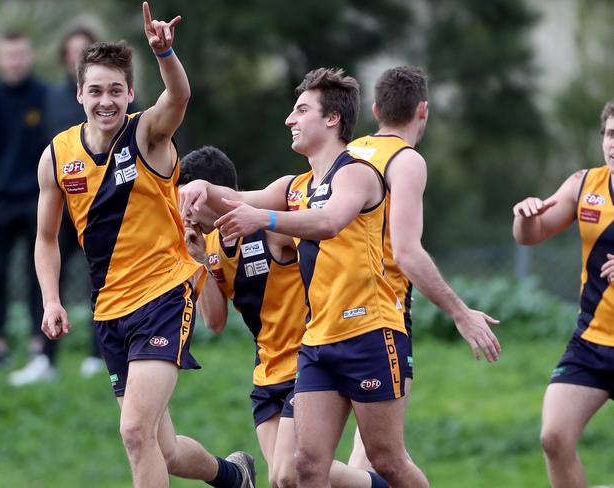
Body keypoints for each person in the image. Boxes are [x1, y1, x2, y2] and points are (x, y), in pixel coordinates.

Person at [34, 3, 255, 487]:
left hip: (163, 296)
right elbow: (46, 239)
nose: (106, 101)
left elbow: (178, 96)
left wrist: (165, 53)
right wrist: (51, 300)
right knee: (164, 449)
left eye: (116, 90)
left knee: (135, 431)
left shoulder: (148, 134)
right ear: (79, 94)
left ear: (131, 93)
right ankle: (233, 476)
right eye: (95, 91)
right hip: (110, 309)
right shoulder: (58, 156)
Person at [180, 68, 429, 487]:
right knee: (301, 469)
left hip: (367, 329)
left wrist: (266, 217)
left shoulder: (356, 172)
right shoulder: (294, 186)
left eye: (300, 110)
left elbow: (330, 221)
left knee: (386, 460)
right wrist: (202, 185)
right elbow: (240, 198)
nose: (289, 120)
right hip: (316, 344)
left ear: (332, 119)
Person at [181, 146, 390, 488]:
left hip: (307, 365)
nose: (183, 212)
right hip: (266, 374)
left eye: (187, 199)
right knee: (287, 481)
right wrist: (199, 261)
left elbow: (324, 235)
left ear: (209, 197)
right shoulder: (211, 246)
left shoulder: (268, 228)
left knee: (287, 472)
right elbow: (214, 321)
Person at [346, 65, 501, 468]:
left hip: (329, 316)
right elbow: (407, 252)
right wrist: (460, 313)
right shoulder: (406, 160)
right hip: (380, 319)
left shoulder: (349, 152)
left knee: (346, 460)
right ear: (424, 111)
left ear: (376, 109)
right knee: (374, 459)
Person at [513, 101, 614, 488]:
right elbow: (532, 236)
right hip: (590, 344)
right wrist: (524, 218)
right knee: (553, 438)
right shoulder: (584, 184)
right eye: (609, 134)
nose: (612, 144)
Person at [10, 27, 109, 385]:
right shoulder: (52, 98)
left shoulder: (116, 97)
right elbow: (45, 152)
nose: (79, 57)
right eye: (73, 51)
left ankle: (99, 355)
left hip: (103, 209)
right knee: (47, 277)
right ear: (65, 58)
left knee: (101, 280)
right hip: (63, 206)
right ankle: (44, 356)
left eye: (86, 50)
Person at [0, 31, 49, 366]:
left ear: (28, 56)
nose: (15, 61)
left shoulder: (45, 97)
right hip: (1, 202)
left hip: (38, 198)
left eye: (20, 54)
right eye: (9, 55)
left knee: (40, 271)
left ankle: (39, 340)